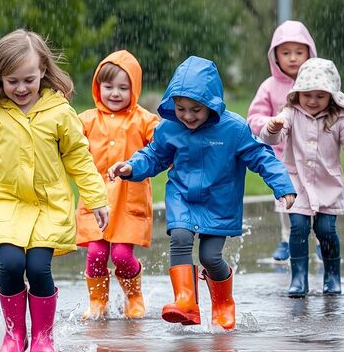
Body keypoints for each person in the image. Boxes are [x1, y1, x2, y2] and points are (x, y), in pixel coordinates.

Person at [0, 29, 109, 352]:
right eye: (11, 81)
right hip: (5, 206)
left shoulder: (59, 112)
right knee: (13, 265)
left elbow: (79, 158)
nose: (20, 88)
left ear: (43, 70)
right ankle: (15, 334)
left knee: (39, 268)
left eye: (28, 79)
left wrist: (96, 198)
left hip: (48, 207)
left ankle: (43, 337)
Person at [108, 56, 296, 330]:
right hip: (182, 196)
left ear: (212, 103)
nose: (187, 115)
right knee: (180, 237)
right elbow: (154, 155)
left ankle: (223, 303)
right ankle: (186, 301)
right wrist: (131, 166)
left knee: (210, 256)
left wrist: (282, 185)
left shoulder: (233, 129)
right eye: (181, 108)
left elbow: (261, 156)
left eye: (196, 109)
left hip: (219, 201)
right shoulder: (170, 128)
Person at [260, 58, 344, 298]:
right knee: (299, 228)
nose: (312, 101)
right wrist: (273, 127)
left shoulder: (339, 119)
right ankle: (299, 277)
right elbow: (273, 139)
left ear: (332, 97)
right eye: (307, 95)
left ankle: (332, 274)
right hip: (296, 184)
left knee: (325, 229)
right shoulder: (290, 113)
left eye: (320, 96)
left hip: (327, 184)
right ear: (298, 93)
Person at [76, 50, 159, 320]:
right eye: (108, 86)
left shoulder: (143, 119)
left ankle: (133, 295)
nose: (114, 93)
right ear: (97, 87)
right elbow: (67, 140)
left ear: (134, 89)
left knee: (122, 255)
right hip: (96, 198)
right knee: (96, 254)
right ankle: (98, 300)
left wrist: (165, 134)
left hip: (129, 199)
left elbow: (161, 139)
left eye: (123, 87)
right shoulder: (87, 120)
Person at [247, 20, 320, 263]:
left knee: (319, 197)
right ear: (275, 55)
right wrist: (270, 123)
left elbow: (334, 104)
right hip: (281, 155)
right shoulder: (269, 87)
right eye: (285, 52)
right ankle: (286, 239)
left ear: (310, 52)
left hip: (314, 154)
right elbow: (253, 117)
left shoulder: (318, 84)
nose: (292, 58)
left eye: (299, 52)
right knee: (285, 198)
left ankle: (321, 240)